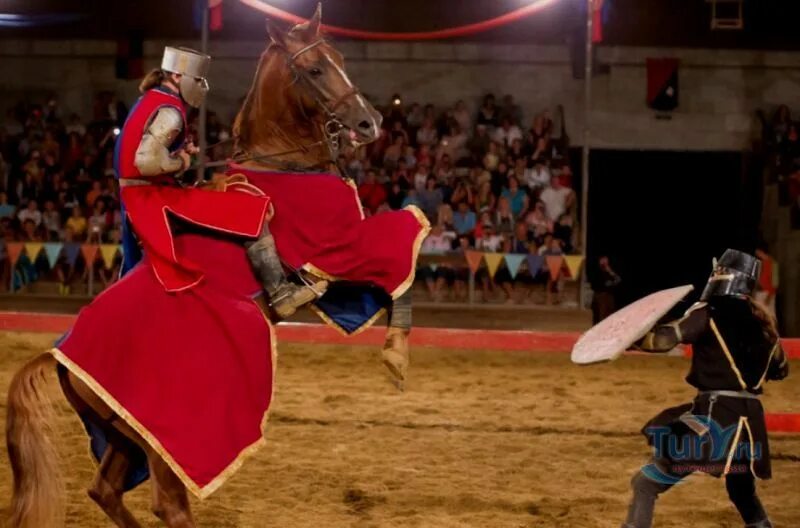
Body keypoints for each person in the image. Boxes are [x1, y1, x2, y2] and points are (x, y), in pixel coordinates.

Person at [115, 46, 325, 317]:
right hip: (153, 200)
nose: (201, 86)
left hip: (146, 195)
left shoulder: (151, 100)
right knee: (248, 210)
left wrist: (177, 154)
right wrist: (183, 162)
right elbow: (146, 163)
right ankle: (281, 293)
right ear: (178, 76)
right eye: (197, 79)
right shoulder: (170, 111)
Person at [620, 249, 789, 528]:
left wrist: (631, 336)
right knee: (742, 493)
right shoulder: (766, 330)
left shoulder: (708, 313)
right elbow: (781, 370)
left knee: (647, 482)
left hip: (717, 419)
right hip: (750, 428)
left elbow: (662, 341)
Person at [590, 255, 621, 323]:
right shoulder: (596, 271)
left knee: (609, 314)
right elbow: (595, 283)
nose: (604, 262)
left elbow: (618, 280)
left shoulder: (609, 271)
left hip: (609, 295)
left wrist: (610, 271)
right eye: (602, 260)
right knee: (599, 315)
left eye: (606, 260)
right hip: (600, 295)